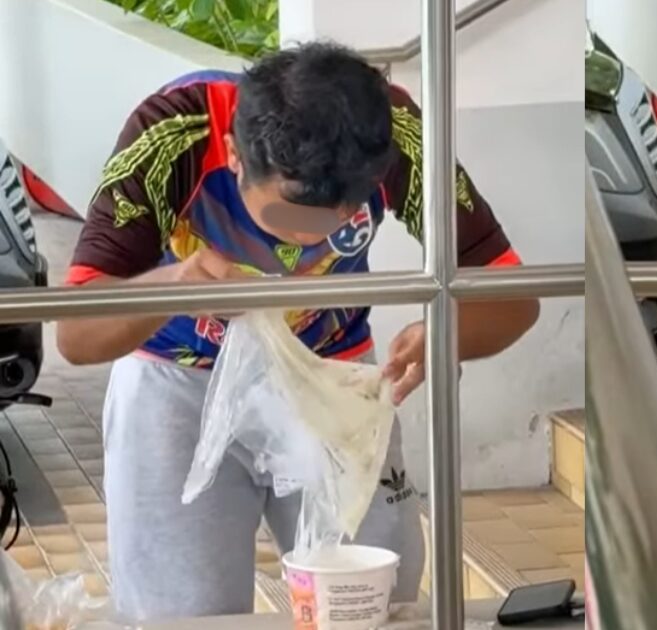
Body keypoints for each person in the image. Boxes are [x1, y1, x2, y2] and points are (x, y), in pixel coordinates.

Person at [57, 43, 539, 621]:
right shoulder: (173, 133)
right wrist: (174, 284)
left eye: (341, 219)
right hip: (176, 385)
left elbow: (515, 300)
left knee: (373, 600)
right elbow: (75, 333)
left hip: (332, 379)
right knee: (185, 615)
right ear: (234, 156)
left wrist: (445, 333)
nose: (307, 243)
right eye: (285, 218)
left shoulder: (388, 132)